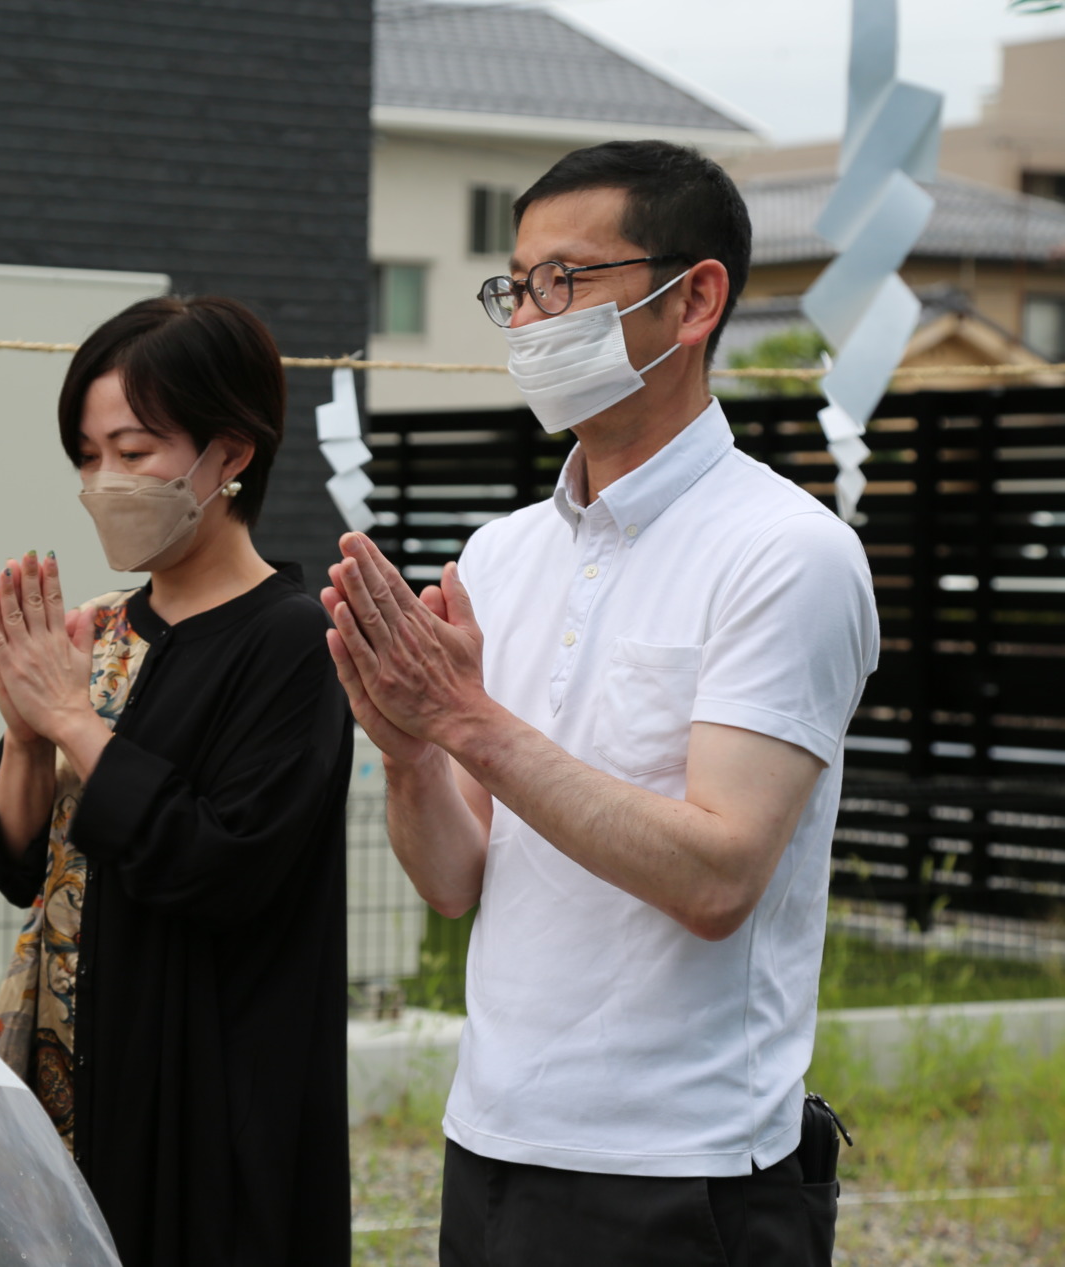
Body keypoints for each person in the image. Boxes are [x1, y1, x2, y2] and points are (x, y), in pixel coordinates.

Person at [323, 141, 877, 1265]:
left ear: (695, 298)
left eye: (564, 282)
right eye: (515, 287)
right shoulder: (502, 552)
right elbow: (453, 882)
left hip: (688, 1168)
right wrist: (411, 752)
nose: (530, 318)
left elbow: (718, 876)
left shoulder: (785, 553)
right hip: (491, 1137)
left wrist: (468, 721)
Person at [0, 296, 353, 1267]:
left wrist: (71, 723)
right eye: (87, 457)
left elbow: (222, 862)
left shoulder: (290, 639)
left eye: (133, 452)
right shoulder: (100, 630)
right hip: (77, 1065)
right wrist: (24, 736)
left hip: (211, 1096)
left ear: (230, 453)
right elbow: (11, 859)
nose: (103, 483)